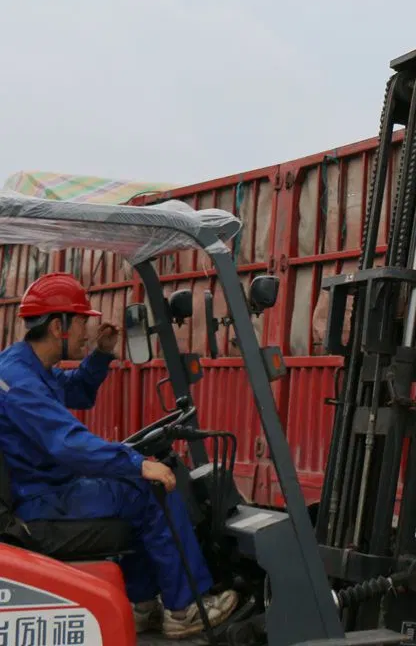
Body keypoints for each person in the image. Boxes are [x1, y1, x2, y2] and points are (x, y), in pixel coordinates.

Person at [0, 273, 239, 639]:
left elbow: (75, 390)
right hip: (40, 502)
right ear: (56, 326)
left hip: (50, 489)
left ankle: (142, 605)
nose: (87, 330)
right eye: (81, 322)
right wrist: (136, 462)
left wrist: (101, 355)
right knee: (150, 491)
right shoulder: (17, 378)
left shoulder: (30, 369)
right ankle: (185, 607)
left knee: (134, 485)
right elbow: (66, 441)